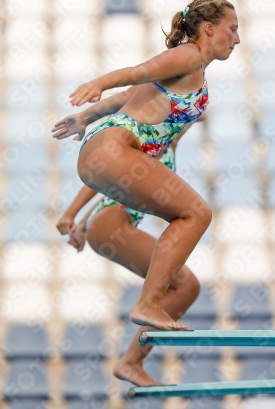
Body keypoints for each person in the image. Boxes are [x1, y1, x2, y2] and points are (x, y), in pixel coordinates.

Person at [54, 0, 240, 334]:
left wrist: (84, 117)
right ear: (210, 28)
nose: (238, 38)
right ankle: (148, 303)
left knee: (191, 222)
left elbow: (129, 97)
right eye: (233, 29)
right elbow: (139, 72)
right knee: (196, 214)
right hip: (113, 147)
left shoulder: (190, 74)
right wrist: (97, 83)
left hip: (103, 154)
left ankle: (145, 320)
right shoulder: (189, 55)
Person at [54, 89, 206, 386]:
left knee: (185, 287)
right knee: (187, 285)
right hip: (112, 223)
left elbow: (116, 189)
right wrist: (71, 214)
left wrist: (83, 223)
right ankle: (131, 361)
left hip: (108, 223)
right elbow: (103, 179)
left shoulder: (168, 139)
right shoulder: (151, 140)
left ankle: (132, 361)